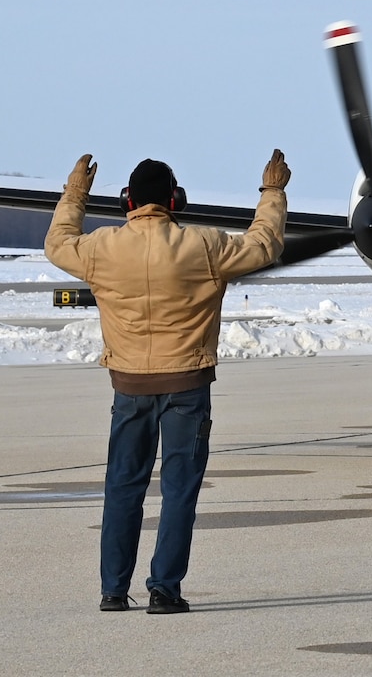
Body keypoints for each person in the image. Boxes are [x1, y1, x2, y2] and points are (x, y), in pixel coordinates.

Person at [45, 150, 290, 614]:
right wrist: (272, 192)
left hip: (129, 387)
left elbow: (58, 243)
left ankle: (113, 590)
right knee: (179, 490)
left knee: (122, 487)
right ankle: (164, 589)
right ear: (175, 200)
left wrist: (75, 192)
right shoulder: (203, 244)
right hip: (187, 386)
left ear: (127, 202)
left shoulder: (101, 248)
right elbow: (263, 245)